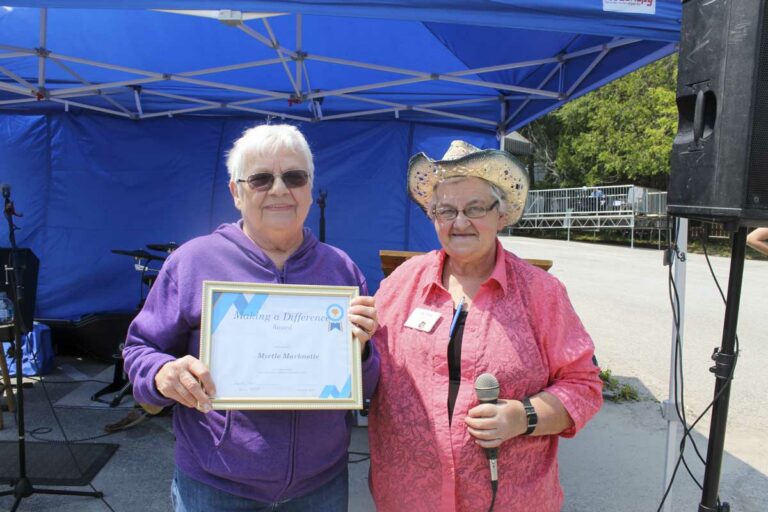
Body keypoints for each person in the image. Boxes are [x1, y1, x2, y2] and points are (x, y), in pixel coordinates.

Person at [123, 124, 380, 512]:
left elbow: (370, 386)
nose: (279, 189)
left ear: (310, 188)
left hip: (320, 487)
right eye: (261, 179)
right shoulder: (193, 262)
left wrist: (361, 354)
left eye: (294, 177)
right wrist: (163, 374)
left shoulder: (341, 271)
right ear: (236, 192)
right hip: (216, 487)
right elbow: (141, 349)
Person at [368, 141, 603, 511]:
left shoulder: (542, 294)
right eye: (446, 210)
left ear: (501, 214)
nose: (460, 222)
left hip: (510, 499)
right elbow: (366, 367)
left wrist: (520, 416)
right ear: (432, 216)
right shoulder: (403, 283)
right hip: (410, 496)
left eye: (475, 208)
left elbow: (584, 386)